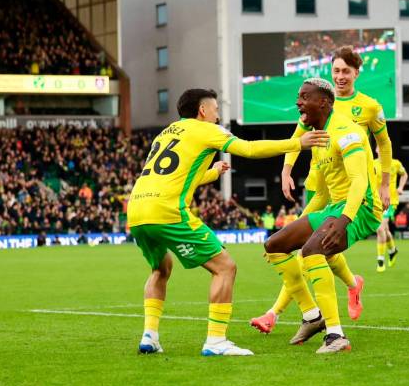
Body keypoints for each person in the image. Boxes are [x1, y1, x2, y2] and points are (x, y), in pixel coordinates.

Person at [127, 88, 328, 356]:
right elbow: (249, 149)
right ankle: (216, 341)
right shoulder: (207, 130)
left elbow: (180, 177)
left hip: (138, 209)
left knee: (161, 268)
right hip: (167, 210)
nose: (218, 115)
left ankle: (149, 336)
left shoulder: (167, 133)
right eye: (216, 109)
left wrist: (212, 172)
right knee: (225, 267)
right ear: (202, 111)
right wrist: (297, 144)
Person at [251, 46, 392, 333]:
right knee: (294, 244)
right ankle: (350, 285)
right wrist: (287, 168)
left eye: (346, 72)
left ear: (356, 74)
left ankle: (277, 313)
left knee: (310, 250)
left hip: (352, 188)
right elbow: (298, 135)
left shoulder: (369, 107)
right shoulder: (313, 102)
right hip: (323, 182)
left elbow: (384, 145)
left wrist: (385, 183)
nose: (340, 76)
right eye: (336, 70)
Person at [374, 151, 407, 272]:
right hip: (376, 201)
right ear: (377, 150)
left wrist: (400, 187)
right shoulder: (372, 164)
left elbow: (404, 175)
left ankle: (380, 261)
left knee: (380, 229)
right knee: (385, 230)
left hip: (390, 201)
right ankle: (392, 250)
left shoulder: (395, 163)